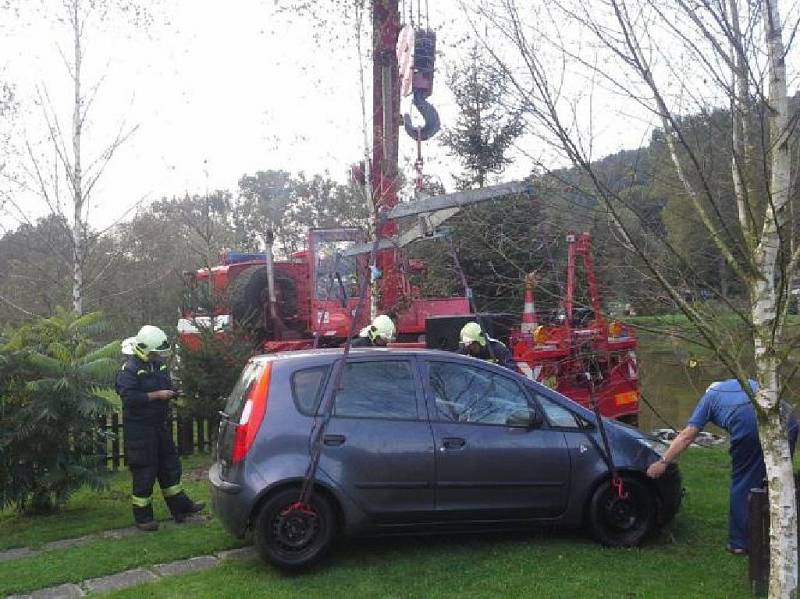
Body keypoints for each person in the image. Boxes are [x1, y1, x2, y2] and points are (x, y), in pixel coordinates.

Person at [646, 378, 798, 555]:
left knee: (744, 482)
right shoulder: (743, 380)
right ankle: (782, 534)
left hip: (749, 419)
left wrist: (663, 462)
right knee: (778, 477)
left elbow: (687, 436)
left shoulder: (710, 397)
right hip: (787, 418)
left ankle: (740, 543)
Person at [116, 325, 204, 531]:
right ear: (144, 349)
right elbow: (129, 398)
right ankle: (143, 518)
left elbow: (166, 385)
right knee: (145, 472)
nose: (158, 356)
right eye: (155, 353)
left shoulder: (158, 365)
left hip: (159, 426)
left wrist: (173, 392)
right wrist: (157, 395)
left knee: (169, 466)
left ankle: (181, 508)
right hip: (140, 430)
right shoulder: (129, 370)